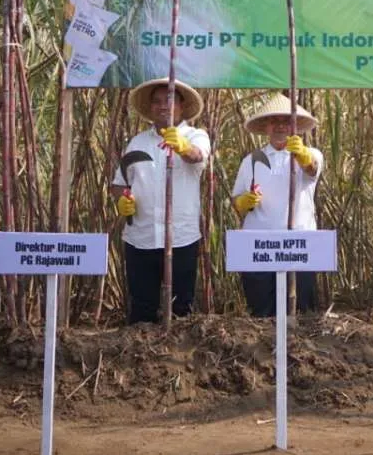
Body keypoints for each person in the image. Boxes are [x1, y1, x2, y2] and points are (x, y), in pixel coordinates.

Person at [111, 78, 210, 324]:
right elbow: (119, 183)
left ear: (182, 105)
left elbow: (197, 157)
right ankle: (140, 358)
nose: (162, 106)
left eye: (169, 99)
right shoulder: (137, 142)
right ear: (150, 108)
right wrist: (122, 200)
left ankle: (180, 361)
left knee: (181, 309)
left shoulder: (196, 135)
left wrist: (183, 147)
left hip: (181, 238)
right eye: (156, 102)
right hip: (140, 238)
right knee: (141, 310)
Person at [231, 93, 324, 315]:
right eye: (274, 121)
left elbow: (312, 170)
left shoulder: (311, 153)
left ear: (296, 125)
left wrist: (301, 156)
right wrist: (245, 202)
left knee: (299, 311)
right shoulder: (251, 160)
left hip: (299, 245)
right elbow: (236, 201)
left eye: (286, 121)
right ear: (266, 126)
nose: (280, 126)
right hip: (259, 247)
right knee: (261, 311)